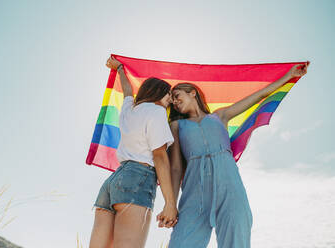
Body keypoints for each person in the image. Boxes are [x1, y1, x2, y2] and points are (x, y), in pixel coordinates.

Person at [165, 63, 309, 248]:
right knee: (181, 243)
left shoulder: (220, 116)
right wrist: (171, 205)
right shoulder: (176, 126)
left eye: (177, 96)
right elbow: (176, 168)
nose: (175, 102)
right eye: (172, 102)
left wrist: (289, 76)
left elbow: (258, 96)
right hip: (195, 190)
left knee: (237, 239)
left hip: (229, 184)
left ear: (192, 92)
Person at [89, 56, 178, 248]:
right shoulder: (157, 111)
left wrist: (120, 68)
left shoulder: (130, 110)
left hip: (114, 181)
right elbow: (160, 156)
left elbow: (128, 91)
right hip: (139, 178)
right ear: (158, 93)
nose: (171, 99)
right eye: (168, 94)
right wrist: (170, 203)